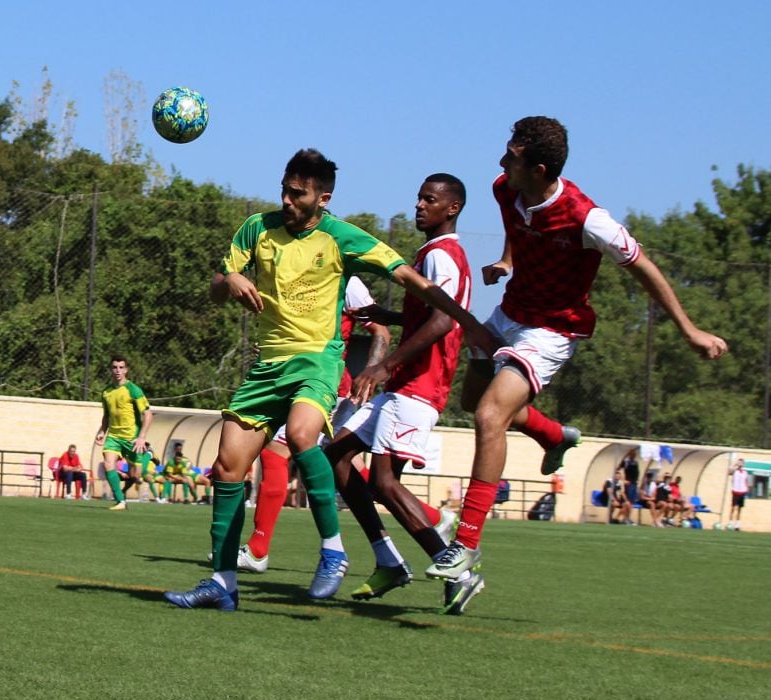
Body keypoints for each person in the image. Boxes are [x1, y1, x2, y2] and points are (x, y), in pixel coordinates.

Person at [164, 148, 497, 611]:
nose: (286, 199)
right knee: (227, 469)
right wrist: (230, 282)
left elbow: (411, 280)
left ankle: (333, 552)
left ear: (323, 198)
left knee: (304, 437)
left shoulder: (343, 237)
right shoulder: (256, 229)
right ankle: (222, 583)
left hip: (317, 361)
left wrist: (470, 323)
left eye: (297, 193)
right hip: (268, 365)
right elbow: (219, 285)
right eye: (284, 189)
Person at [428, 117, 727, 582]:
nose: (502, 161)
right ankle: (552, 434)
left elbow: (642, 266)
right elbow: (518, 219)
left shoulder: (588, 218)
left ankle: (465, 543)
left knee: (490, 415)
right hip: (511, 313)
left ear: (540, 168)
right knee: (470, 403)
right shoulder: (506, 187)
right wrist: (509, 259)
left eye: (512, 156)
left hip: (552, 330)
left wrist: (689, 330)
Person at [325, 173, 484, 615]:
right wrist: (390, 315)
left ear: (451, 209)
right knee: (333, 456)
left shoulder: (444, 256)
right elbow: (427, 317)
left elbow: (443, 322)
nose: (419, 205)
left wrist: (382, 364)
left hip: (419, 384)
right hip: (406, 383)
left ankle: (457, 566)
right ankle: (388, 559)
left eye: (429, 200)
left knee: (383, 481)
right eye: (418, 197)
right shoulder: (435, 253)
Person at [234, 276, 397, 573]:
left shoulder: (348, 282)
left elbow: (381, 332)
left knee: (276, 452)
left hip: (326, 383)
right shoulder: (297, 272)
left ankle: (259, 550)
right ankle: (433, 521)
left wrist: (372, 374)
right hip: (297, 378)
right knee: (343, 465)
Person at [94, 355, 153, 511]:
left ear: (126, 370)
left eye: (121, 367)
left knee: (135, 475)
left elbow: (148, 414)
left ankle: (148, 455)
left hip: (132, 438)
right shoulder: (106, 392)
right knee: (108, 464)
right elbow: (107, 415)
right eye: (114, 367)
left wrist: (141, 437)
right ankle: (120, 500)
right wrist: (102, 431)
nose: (118, 370)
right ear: (111, 369)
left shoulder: (133, 390)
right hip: (113, 436)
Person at [728, 459, 749, 531]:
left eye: (742, 463)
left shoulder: (745, 472)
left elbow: (746, 481)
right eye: (740, 462)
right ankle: (730, 523)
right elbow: (729, 472)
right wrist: (735, 465)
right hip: (735, 491)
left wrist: (747, 488)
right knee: (733, 507)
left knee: (740, 509)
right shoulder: (735, 471)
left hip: (742, 492)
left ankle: (737, 524)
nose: (741, 464)